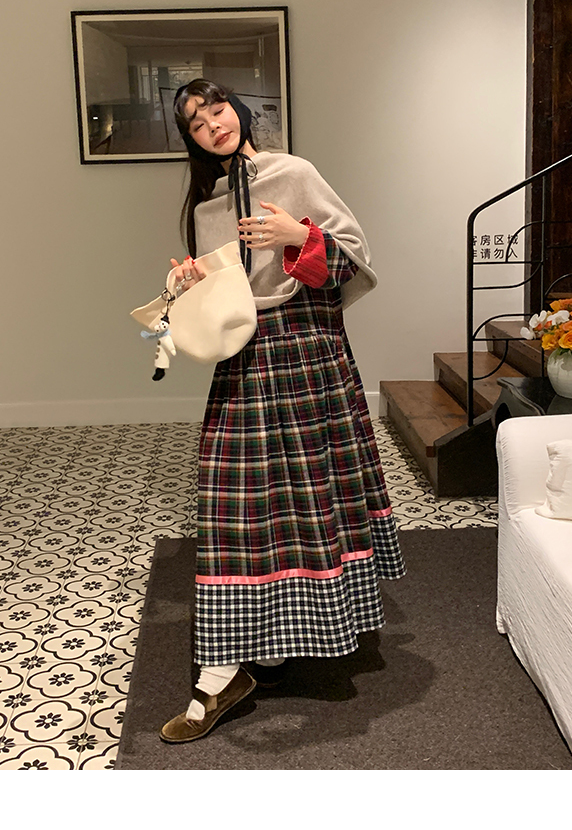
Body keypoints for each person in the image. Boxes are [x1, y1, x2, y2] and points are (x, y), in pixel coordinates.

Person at [159, 78, 405, 744]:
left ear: (237, 111)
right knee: (235, 504)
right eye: (196, 123)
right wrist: (186, 286)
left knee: (307, 496)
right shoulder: (207, 205)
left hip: (308, 354)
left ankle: (271, 647)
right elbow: (214, 307)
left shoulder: (294, 173)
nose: (213, 125)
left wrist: (300, 233)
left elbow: (355, 261)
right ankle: (225, 668)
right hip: (244, 361)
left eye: (218, 110)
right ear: (190, 140)